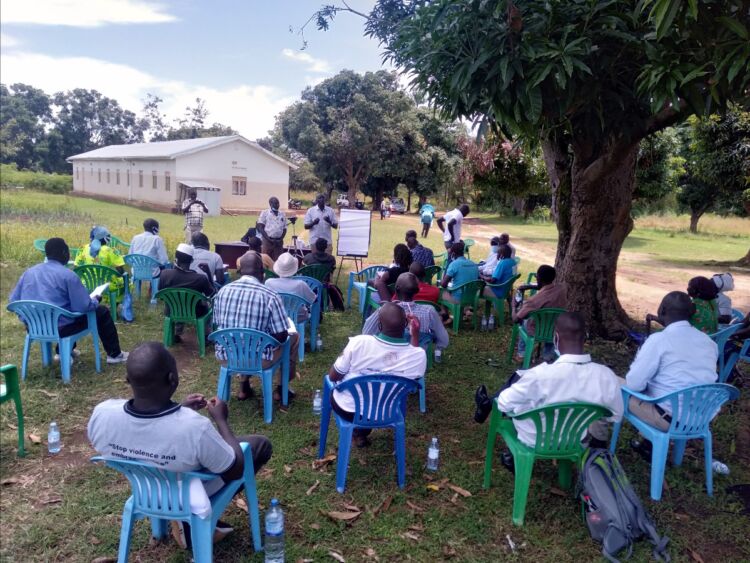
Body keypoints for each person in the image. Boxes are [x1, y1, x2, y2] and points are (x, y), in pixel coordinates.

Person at [87, 341, 272, 550]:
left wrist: (178, 409)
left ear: (128, 380)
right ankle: (189, 525)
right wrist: (221, 420)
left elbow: (143, 433)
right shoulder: (194, 428)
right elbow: (235, 469)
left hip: (146, 488)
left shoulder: (102, 415)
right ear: (172, 379)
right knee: (259, 445)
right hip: (184, 490)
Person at [473, 313, 623, 451]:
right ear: (585, 338)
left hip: (535, 439)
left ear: (556, 338)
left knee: (525, 398)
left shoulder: (540, 375)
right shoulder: (607, 376)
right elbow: (615, 415)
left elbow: (504, 403)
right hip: (576, 441)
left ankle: (512, 454)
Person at [9, 238, 128, 364]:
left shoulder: (29, 272)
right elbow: (83, 307)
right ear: (65, 253)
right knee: (101, 311)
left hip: (33, 327)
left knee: (65, 309)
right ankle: (114, 355)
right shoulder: (68, 275)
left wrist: (28, 318)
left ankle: (63, 351)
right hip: (62, 329)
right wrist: (95, 300)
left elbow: (13, 302)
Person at [329, 302, 426, 447]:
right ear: (405, 325)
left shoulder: (360, 342)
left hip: (348, 409)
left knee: (343, 388)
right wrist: (415, 336)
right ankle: (361, 432)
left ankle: (359, 431)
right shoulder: (418, 355)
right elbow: (414, 377)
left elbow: (333, 376)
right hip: (387, 411)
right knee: (373, 395)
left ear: (379, 326)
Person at [626, 291, 718, 443]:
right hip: (699, 420)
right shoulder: (709, 343)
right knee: (664, 387)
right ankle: (647, 444)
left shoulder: (659, 340)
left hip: (668, 419)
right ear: (692, 312)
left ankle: (597, 444)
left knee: (611, 385)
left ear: (661, 311)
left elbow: (633, 384)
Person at [213, 252, 300, 401]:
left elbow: (218, 324)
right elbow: (281, 336)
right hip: (259, 359)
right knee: (294, 337)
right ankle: (281, 389)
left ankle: (243, 388)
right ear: (262, 272)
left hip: (227, 356)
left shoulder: (222, 292)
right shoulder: (270, 295)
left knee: (242, 339)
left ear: (240, 272)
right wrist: (263, 334)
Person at [365, 272, 449, 351]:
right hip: (417, 355)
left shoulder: (385, 310)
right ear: (416, 290)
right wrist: (438, 346)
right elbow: (443, 339)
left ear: (396, 288)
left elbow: (367, 332)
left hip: (389, 353)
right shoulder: (429, 311)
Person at [160, 244, 216, 343]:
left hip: (172, 310)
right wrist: (208, 273)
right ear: (191, 261)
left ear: (175, 258)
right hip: (196, 312)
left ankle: (176, 333)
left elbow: (161, 296)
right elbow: (213, 294)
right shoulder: (200, 278)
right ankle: (206, 336)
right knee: (205, 305)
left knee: (177, 302)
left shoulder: (165, 274)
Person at [512, 265, 567, 360]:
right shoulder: (562, 289)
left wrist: (513, 307)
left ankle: (522, 353)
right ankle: (548, 355)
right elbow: (548, 291)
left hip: (537, 330)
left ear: (539, 278)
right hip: (556, 329)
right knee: (550, 323)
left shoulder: (533, 301)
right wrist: (530, 286)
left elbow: (516, 319)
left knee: (524, 322)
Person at [74, 225, 127, 300]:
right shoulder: (110, 250)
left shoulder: (83, 248)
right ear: (105, 238)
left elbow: (77, 268)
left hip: (86, 283)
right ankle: (114, 305)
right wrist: (124, 277)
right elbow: (120, 270)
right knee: (127, 283)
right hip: (105, 284)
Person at [265, 252, 317, 323]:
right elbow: (313, 300)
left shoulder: (269, 283)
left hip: (275, 316)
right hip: (298, 316)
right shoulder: (301, 284)